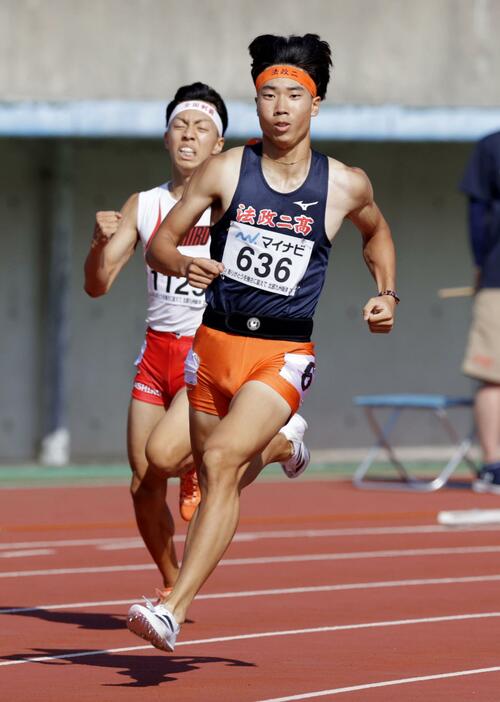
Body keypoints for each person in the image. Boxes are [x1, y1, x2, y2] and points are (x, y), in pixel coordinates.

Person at [127, 33, 397, 652]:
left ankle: (171, 608)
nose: (279, 106)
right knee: (178, 471)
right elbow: (162, 242)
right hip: (213, 346)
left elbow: (376, 235)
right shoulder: (225, 170)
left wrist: (388, 294)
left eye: (292, 95)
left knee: (219, 464)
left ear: (315, 104)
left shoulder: (344, 184)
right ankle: (279, 447)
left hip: (282, 353)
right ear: (255, 103)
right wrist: (185, 264)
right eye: (267, 94)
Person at [84, 83, 310, 598]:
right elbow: (97, 285)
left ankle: (279, 441)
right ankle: (170, 580)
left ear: (218, 143)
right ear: (166, 138)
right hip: (154, 352)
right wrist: (98, 244)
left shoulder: (233, 198)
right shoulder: (144, 204)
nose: (188, 135)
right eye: (180, 126)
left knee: (168, 459)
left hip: (206, 351)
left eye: (200, 127)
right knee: (143, 483)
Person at [460, 130, 500, 493]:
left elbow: (478, 215)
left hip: (495, 275)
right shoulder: (491, 146)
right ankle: (493, 465)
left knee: (493, 377)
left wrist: (480, 262)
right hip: (496, 275)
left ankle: (493, 465)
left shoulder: (491, 145)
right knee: (491, 375)